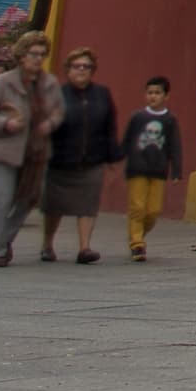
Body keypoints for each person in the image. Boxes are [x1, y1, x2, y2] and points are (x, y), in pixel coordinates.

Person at [0, 32, 57, 267]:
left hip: (33, 151)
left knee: (31, 197)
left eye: (42, 54)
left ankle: (4, 239)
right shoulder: (5, 81)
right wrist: (5, 123)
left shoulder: (47, 83)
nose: (38, 58)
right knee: (2, 198)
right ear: (22, 55)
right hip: (4, 148)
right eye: (34, 54)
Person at [40, 47, 121, 264]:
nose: (82, 71)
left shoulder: (102, 94)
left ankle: (85, 248)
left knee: (88, 205)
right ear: (68, 70)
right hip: (60, 159)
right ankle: (47, 244)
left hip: (92, 159)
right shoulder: (58, 94)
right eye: (77, 66)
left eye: (87, 67)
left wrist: (113, 157)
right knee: (54, 206)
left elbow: (110, 126)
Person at [118, 76, 184, 261]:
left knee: (153, 211)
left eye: (157, 93)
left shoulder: (170, 120)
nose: (153, 96)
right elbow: (127, 140)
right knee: (137, 207)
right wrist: (117, 156)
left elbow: (174, 145)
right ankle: (137, 244)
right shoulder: (138, 117)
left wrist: (177, 170)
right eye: (150, 93)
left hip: (159, 170)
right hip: (137, 168)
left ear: (166, 96)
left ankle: (136, 233)